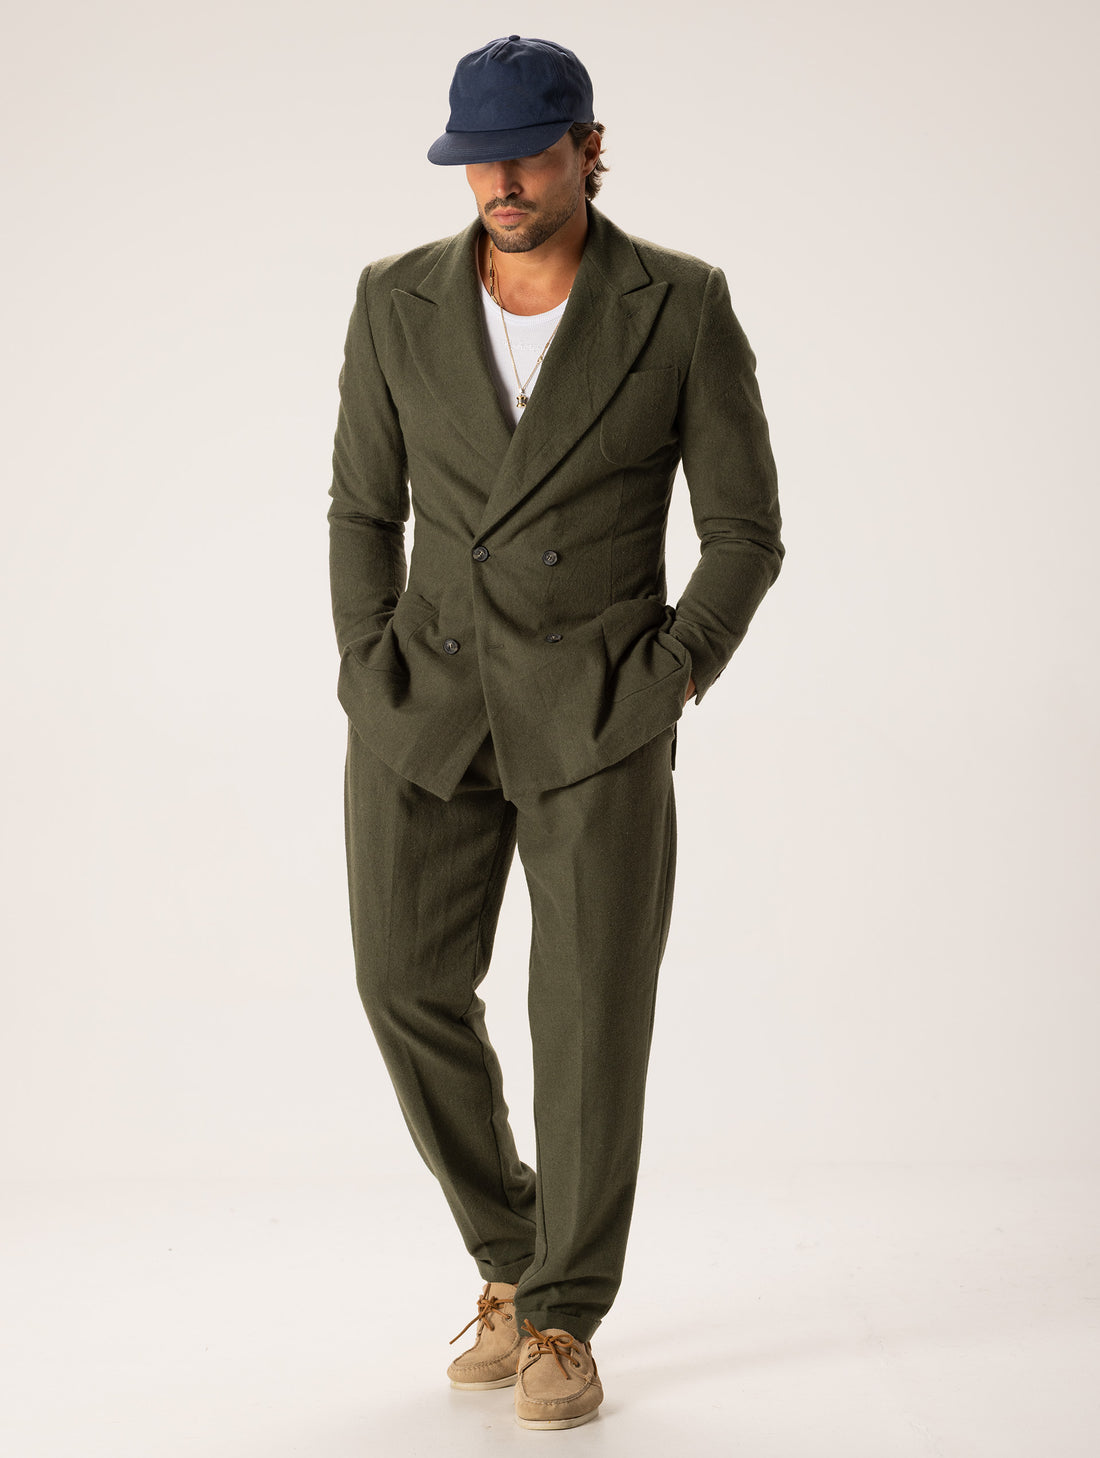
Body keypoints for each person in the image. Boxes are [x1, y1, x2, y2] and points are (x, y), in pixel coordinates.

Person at [328, 34, 783, 1431]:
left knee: (588, 1015)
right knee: (402, 983)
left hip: (596, 711)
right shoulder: (394, 298)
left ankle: (564, 1317)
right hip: (425, 703)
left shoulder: (679, 303)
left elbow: (744, 530)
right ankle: (513, 1256)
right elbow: (362, 507)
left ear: (590, 147)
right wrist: (364, 665)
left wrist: (670, 677)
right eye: (479, 161)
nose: (503, 185)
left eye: (529, 155)